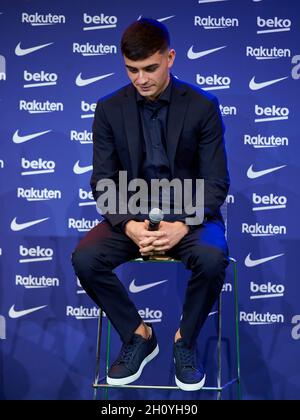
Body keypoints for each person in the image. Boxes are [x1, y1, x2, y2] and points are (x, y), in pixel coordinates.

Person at [72, 18, 230, 392]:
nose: (140, 79)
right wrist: (128, 225)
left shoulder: (203, 106)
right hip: (133, 215)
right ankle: (139, 335)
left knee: (212, 258)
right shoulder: (109, 109)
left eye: (149, 68)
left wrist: (184, 224)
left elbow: (216, 182)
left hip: (188, 215)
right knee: (85, 258)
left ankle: (184, 342)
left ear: (170, 57)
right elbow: (103, 181)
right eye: (131, 70)